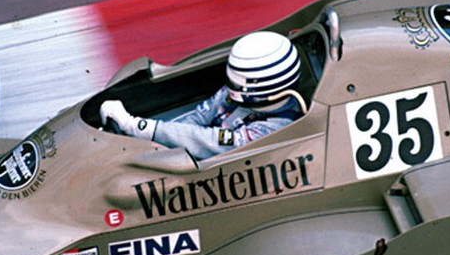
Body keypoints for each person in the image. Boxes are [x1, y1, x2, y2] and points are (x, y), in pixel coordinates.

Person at [100, 31, 305, 159]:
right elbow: (198, 118)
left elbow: (208, 141)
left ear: (260, 87)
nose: (229, 87)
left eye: (235, 83)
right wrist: (150, 142)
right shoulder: (237, 93)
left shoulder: (276, 127)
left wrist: (137, 126)